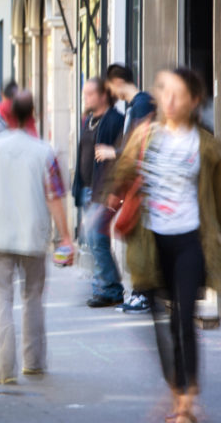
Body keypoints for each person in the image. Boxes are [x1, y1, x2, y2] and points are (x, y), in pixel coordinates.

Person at [111, 68, 221, 423]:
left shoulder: (206, 146)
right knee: (161, 324)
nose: (169, 101)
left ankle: (187, 401)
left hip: (190, 239)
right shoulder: (145, 135)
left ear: (194, 101)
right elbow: (121, 176)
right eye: (164, 92)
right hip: (151, 241)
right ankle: (176, 391)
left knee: (184, 320)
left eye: (178, 94)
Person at [0, 90, 74, 384]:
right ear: (33, 115)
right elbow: (54, 196)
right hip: (32, 232)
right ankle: (34, 362)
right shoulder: (43, 151)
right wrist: (65, 237)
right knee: (33, 296)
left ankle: (4, 367)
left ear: (7, 115)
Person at [101, 63, 157, 314]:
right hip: (137, 183)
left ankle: (143, 295)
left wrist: (112, 151)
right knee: (136, 239)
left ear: (118, 82)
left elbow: (138, 145)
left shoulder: (142, 105)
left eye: (110, 86)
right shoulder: (137, 106)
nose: (111, 92)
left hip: (144, 185)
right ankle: (139, 293)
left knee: (140, 240)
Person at [72, 77, 125, 308]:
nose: (86, 97)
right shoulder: (89, 120)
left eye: (90, 94)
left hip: (104, 190)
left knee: (96, 238)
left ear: (103, 95)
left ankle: (111, 289)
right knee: (92, 240)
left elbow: (122, 157)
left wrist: (114, 190)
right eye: (85, 94)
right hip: (87, 189)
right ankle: (102, 288)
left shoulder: (114, 120)